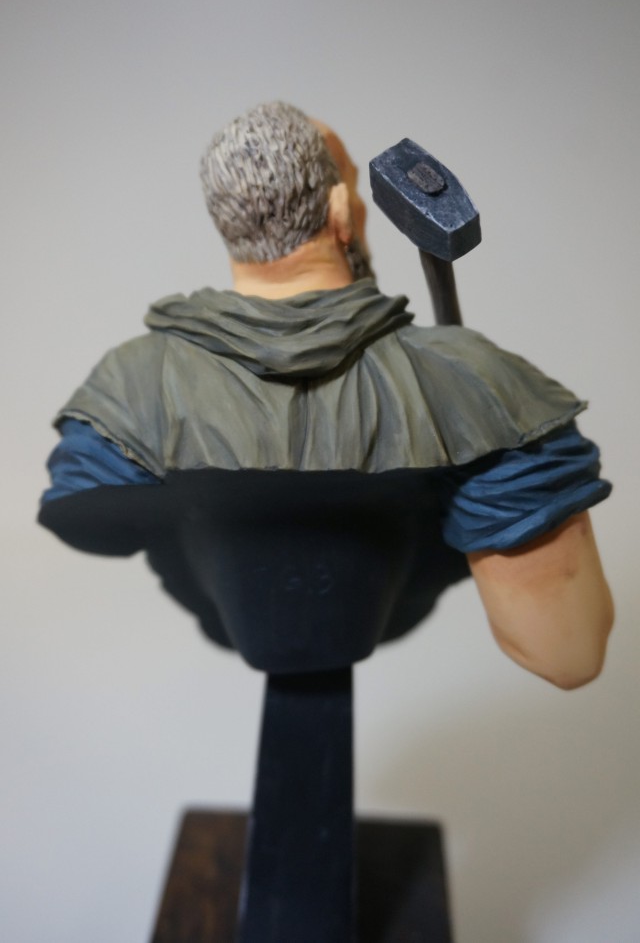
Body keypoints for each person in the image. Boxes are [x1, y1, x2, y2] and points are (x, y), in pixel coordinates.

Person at [40, 101, 613, 689]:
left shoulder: (124, 386)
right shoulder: (478, 385)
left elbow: (92, 521)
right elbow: (565, 654)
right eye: (357, 191)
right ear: (341, 210)